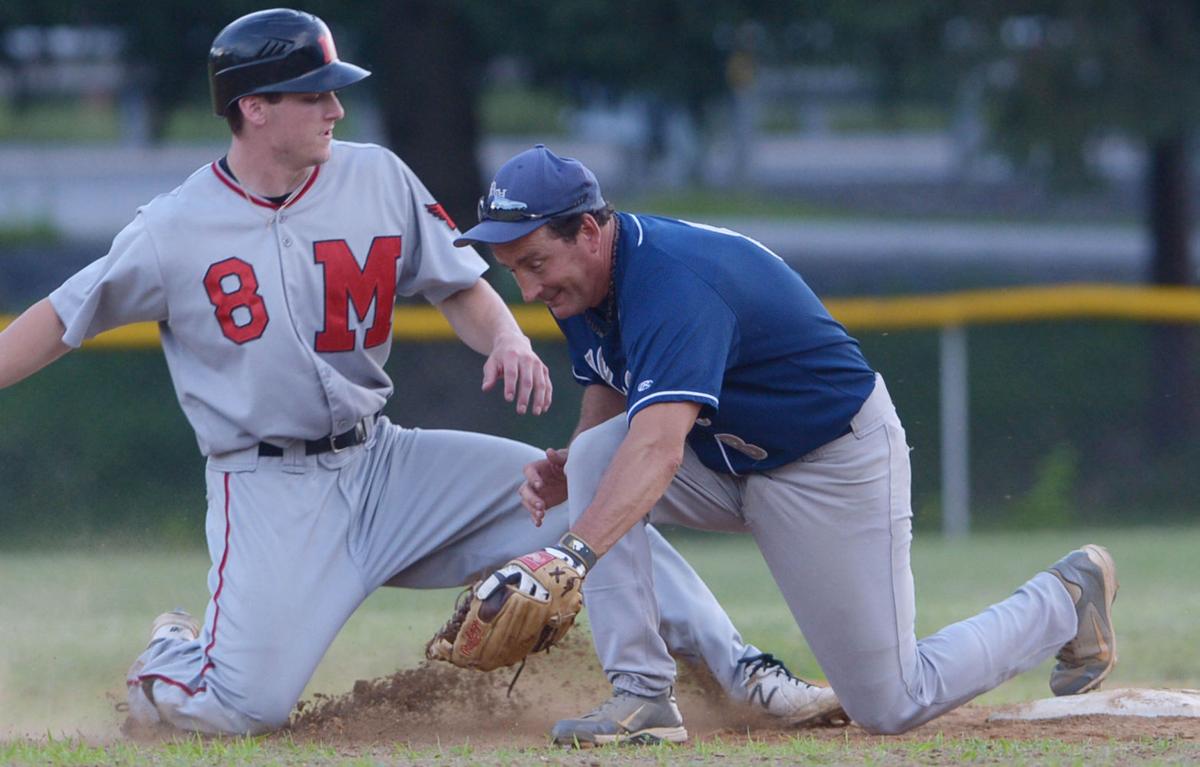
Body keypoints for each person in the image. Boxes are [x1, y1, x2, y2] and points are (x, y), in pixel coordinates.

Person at [0, 11, 841, 736]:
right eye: (313, 93)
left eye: (335, 88)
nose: (336, 105)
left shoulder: (374, 176)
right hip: (270, 490)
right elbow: (57, 323)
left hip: (387, 462)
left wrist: (506, 338)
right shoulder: (173, 227)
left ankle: (748, 676)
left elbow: (459, 284)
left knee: (589, 496)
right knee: (241, 709)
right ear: (254, 109)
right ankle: (174, 656)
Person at [454, 144, 1120, 743]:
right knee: (600, 457)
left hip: (829, 462)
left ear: (591, 230)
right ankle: (642, 696)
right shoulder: (582, 285)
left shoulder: (673, 282)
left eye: (536, 262)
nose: (531, 288)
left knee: (890, 701)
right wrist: (576, 468)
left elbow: (656, 449)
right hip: (727, 457)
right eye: (515, 270)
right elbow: (612, 390)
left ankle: (1064, 598)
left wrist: (567, 555)